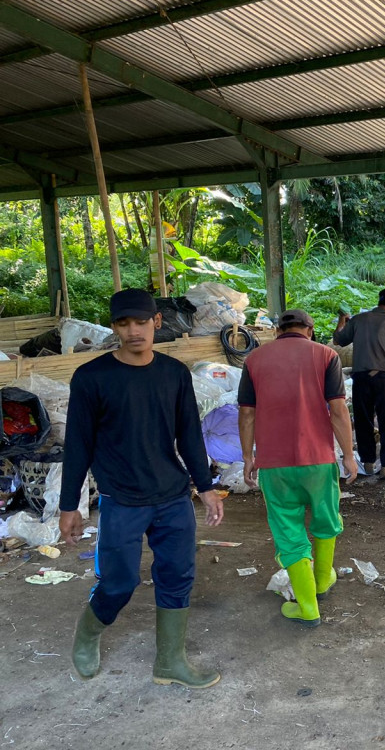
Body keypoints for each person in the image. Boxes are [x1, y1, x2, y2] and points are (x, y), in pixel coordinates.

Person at [59, 288, 223, 687]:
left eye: (141, 321)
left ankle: (170, 661)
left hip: (172, 497)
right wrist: (70, 505)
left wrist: (205, 486)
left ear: (157, 322)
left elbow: (189, 435)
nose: (133, 331)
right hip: (122, 500)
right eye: (123, 323)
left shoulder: (173, 374)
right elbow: (78, 444)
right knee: (119, 582)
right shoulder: (92, 378)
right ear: (114, 327)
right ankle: (88, 634)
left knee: (177, 575)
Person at [238, 309, 359, 627]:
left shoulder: (254, 360)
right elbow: (337, 410)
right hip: (318, 460)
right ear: (310, 328)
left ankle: (307, 607)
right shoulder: (326, 355)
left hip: (275, 465)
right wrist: (348, 455)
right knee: (325, 519)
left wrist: (248, 458)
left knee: (289, 533)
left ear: (278, 330)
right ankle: (322, 582)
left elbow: (247, 414)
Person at [334, 289, 385, 479]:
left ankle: (367, 462)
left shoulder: (357, 319)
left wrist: (342, 321)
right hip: (383, 378)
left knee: (363, 419)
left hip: (361, 378)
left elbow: (339, 340)